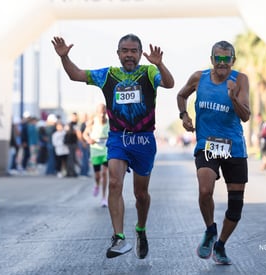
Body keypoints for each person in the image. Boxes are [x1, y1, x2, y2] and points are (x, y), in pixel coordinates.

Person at [52, 34, 174, 259]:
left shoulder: (149, 72)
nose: (129, 55)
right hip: (118, 137)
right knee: (115, 182)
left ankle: (141, 229)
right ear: (118, 53)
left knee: (141, 194)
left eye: (133, 51)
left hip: (144, 140)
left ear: (139, 53)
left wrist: (159, 64)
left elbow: (169, 83)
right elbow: (75, 75)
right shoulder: (107, 74)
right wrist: (65, 57)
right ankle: (118, 237)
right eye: (124, 51)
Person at [176, 40, 250, 265]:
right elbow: (181, 95)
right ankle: (210, 230)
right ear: (211, 60)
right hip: (207, 145)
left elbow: (245, 115)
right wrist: (184, 116)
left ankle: (220, 245)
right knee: (205, 189)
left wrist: (233, 98)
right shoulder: (199, 78)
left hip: (234, 148)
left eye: (226, 59)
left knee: (235, 206)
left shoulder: (240, 80)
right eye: (217, 59)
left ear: (232, 61)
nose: (221, 63)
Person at [83, 103, 110, 208]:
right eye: (99, 112)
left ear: (106, 111)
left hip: (106, 150)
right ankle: (97, 184)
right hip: (95, 150)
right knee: (98, 175)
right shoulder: (92, 121)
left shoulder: (109, 122)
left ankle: (104, 198)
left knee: (104, 173)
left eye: (103, 111)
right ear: (97, 112)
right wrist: (88, 139)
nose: (102, 114)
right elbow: (85, 134)